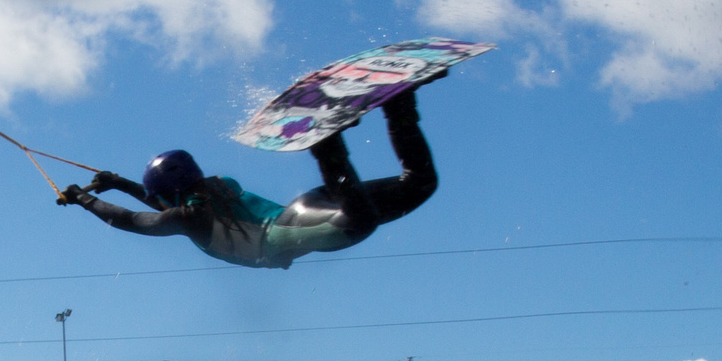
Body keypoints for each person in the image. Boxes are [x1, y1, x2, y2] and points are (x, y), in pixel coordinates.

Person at [58, 84, 439, 269]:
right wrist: (119, 183)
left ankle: (325, 143)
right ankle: (399, 108)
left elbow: (131, 219)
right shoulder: (215, 189)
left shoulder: (190, 218)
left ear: (167, 196)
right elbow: (153, 200)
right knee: (420, 183)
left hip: (294, 228)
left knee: (360, 220)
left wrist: (84, 199)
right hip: (302, 208)